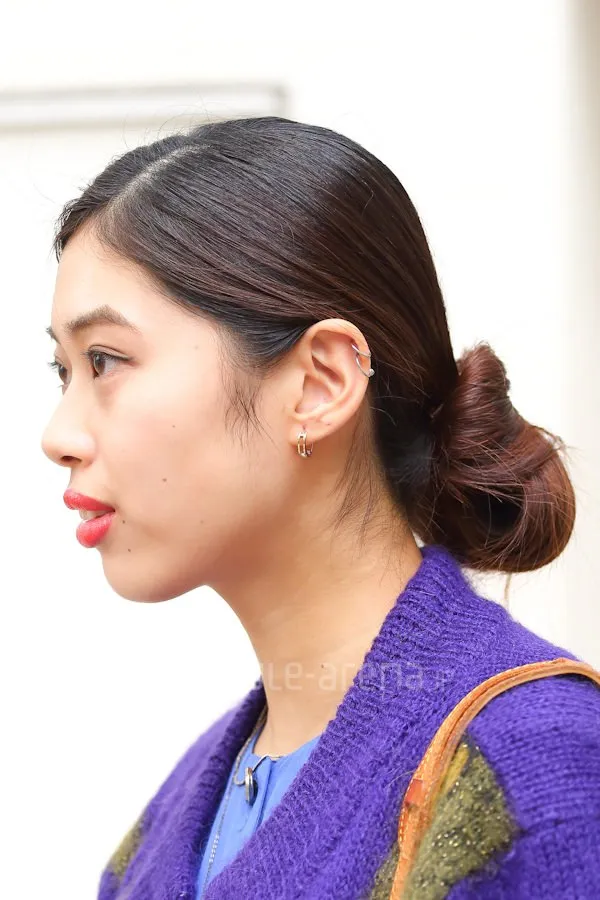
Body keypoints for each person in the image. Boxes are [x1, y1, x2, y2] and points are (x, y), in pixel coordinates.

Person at [41, 116, 600, 900]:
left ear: (321, 384)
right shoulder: (163, 836)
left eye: (105, 360)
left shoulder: (533, 774)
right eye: (62, 370)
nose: (57, 436)